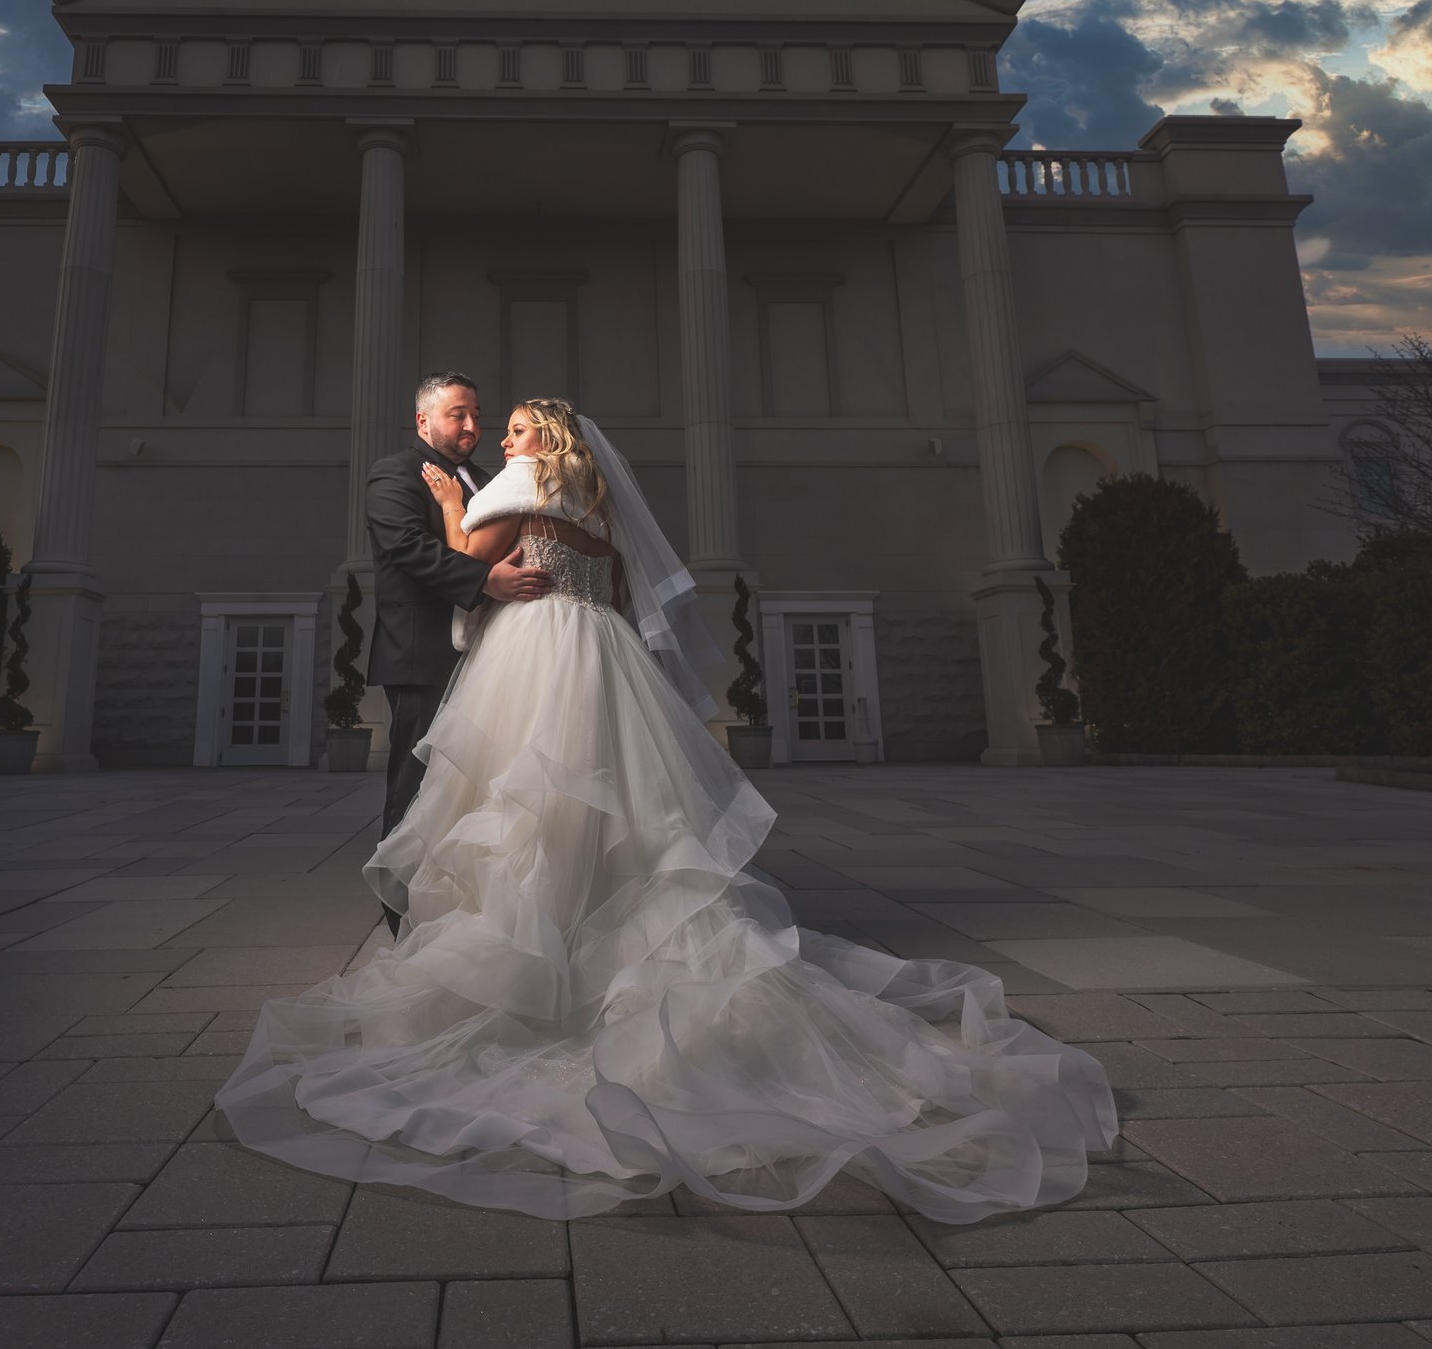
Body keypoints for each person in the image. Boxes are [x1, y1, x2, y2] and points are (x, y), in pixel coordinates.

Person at [219, 397, 1117, 1222]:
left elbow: (469, 564)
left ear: (549, 439)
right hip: (601, 657)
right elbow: (610, 598)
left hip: (536, 654)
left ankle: (545, 964)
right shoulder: (600, 508)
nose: (504, 437)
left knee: (530, 800)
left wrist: (448, 504)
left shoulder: (525, 487)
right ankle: (611, 937)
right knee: (622, 810)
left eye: (519, 426)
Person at [360, 372, 549, 930]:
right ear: (424, 420)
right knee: (418, 787)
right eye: (456, 415)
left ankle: (464, 911)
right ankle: (402, 917)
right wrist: (485, 580)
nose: (471, 425)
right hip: (424, 653)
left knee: (477, 788)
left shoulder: (491, 477)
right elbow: (406, 548)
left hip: (491, 654)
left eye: (475, 415)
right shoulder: (394, 473)